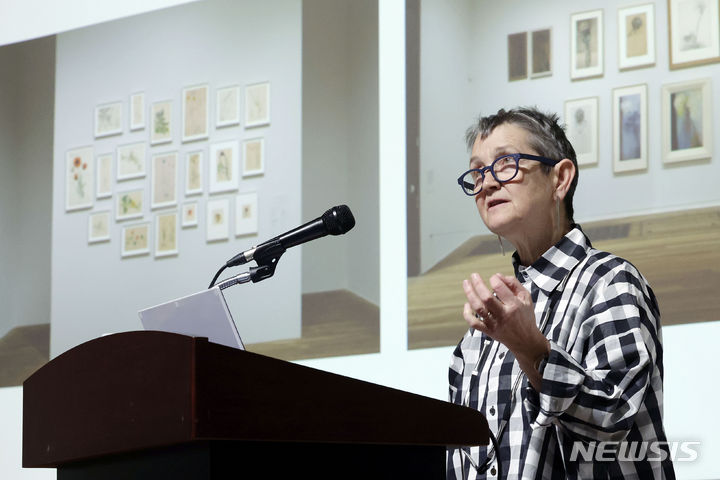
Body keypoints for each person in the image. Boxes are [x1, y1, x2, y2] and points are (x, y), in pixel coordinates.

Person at [446, 107, 676, 480]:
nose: (486, 183)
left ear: (560, 178)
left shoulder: (610, 282)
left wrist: (533, 351)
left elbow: (616, 419)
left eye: (505, 164)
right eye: (477, 171)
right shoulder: (480, 334)